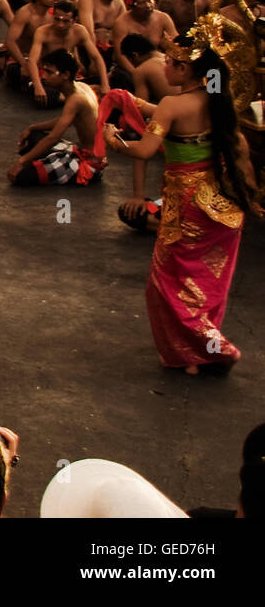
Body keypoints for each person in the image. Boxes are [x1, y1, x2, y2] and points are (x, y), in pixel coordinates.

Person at [103, 19, 259, 374]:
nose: (165, 67)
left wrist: (114, 139)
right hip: (219, 201)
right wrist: (136, 103)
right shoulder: (215, 96)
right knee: (205, 282)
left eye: (171, 62)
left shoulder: (174, 104)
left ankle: (215, 350)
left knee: (167, 284)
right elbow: (174, 119)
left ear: (185, 69)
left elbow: (144, 150)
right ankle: (200, 353)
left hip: (186, 204)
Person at [8, 50, 105, 186]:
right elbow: (64, 120)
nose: (44, 76)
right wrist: (32, 127)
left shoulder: (75, 99)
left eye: (49, 72)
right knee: (33, 135)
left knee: (20, 176)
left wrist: (21, 162)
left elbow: (53, 137)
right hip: (82, 151)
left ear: (65, 75)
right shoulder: (81, 86)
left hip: (89, 163)